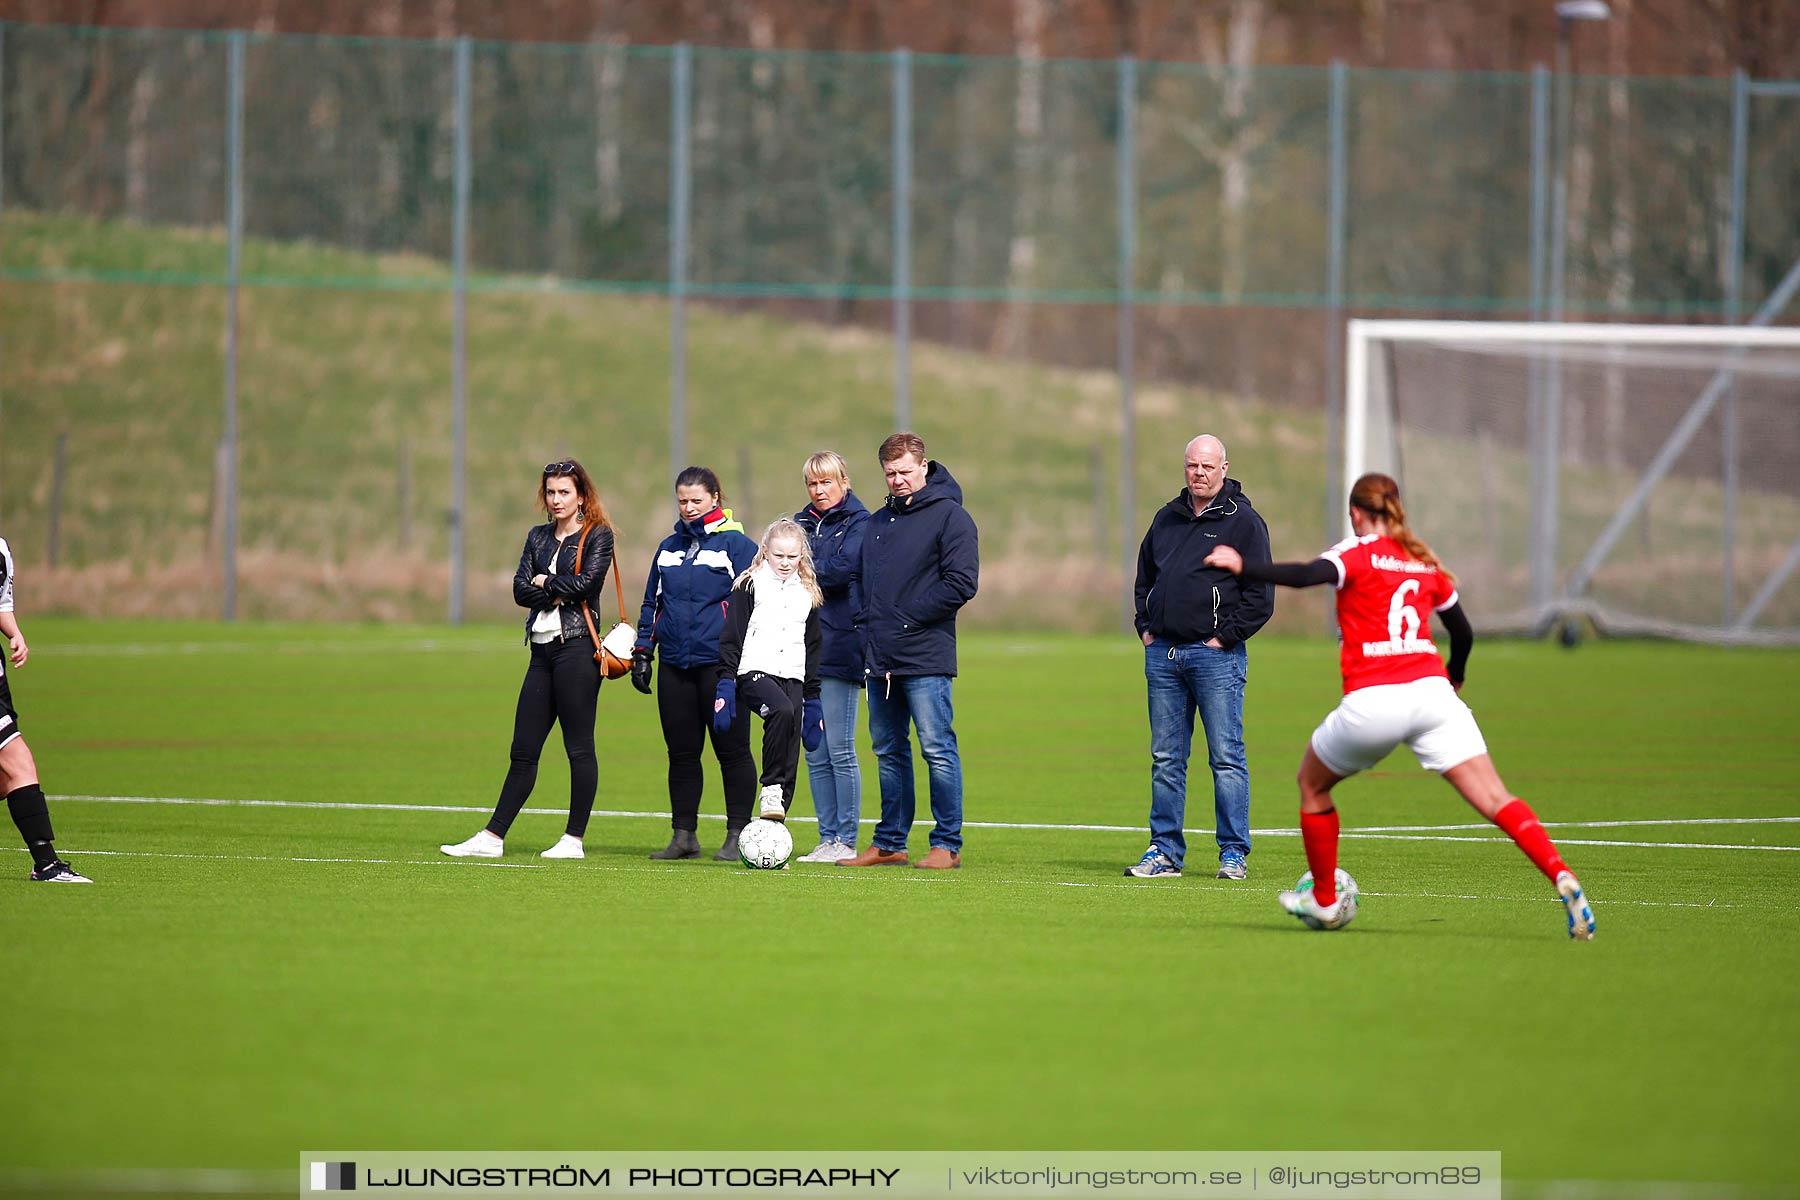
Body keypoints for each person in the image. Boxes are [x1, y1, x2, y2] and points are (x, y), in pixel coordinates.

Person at [1204, 472, 1596, 939]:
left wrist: (1243, 566)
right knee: (1497, 798)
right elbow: (1463, 631)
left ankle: (1325, 900)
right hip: (1434, 696)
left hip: (1375, 700)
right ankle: (1561, 875)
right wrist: (1456, 676)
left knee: (1312, 785)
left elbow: (1309, 575)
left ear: (1356, 513)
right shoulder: (1423, 560)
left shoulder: (1356, 552)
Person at [442, 460, 614, 860]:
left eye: (564, 492)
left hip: (577, 651)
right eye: (551, 493)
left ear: (581, 497)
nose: (556, 500)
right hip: (541, 652)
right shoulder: (537, 537)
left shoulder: (597, 536)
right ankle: (493, 838)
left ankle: (574, 840)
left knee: (579, 748)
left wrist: (547, 583)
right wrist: (554, 590)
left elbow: (587, 584)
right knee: (523, 749)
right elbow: (520, 590)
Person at [1128, 434, 1273, 881]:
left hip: (1215, 657)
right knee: (1166, 758)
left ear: (1224, 468)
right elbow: (1144, 577)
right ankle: (1164, 851)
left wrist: (1223, 639)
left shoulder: (1243, 523)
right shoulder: (1166, 518)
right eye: (1192, 466)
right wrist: (1145, 627)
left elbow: (1260, 596)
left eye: (1208, 466)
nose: (1199, 473)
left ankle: (1233, 853)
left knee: (1226, 757)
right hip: (1164, 654)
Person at [840, 433, 978, 870]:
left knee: (937, 748)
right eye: (890, 473)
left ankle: (947, 844)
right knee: (887, 750)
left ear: (923, 466)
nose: (898, 480)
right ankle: (890, 842)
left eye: (905, 471)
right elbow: (860, 579)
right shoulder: (878, 522)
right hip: (878, 658)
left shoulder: (951, 518)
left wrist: (904, 618)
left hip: (925, 656)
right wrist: (866, 624)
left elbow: (961, 583)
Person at [631, 467, 759, 862]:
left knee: (732, 751)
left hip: (721, 668)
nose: (688, 508)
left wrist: (743, 661)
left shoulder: (737, 546)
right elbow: (653, 601)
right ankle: (683, 835)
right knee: (682, 754)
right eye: (682, 501)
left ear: (716, 498)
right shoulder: (668, 546)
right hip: (674, 665)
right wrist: (642, 651)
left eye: (696, 500)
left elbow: (753, 606)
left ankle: (737, 834)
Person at [714, 519, 825, 828]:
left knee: (791, 750)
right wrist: (725, 683)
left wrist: (813, 699)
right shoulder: (749, 584)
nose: (785, 563)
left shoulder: (808, 593)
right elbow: (732, 635)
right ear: (765, 552)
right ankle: (771, 787)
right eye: (779, 556)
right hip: (754, 670)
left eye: (792, 556)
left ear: (801, 554)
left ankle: (772, 830)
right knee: (781, 710)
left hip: (793, 675)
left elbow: (813, 646)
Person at [792, 452, 870, 862]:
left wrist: (800, 565)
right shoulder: (799, 523)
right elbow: (776, 564)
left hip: (841, 645)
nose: (819, 491)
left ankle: (846, 839)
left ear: (844, 481)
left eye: (826, 482)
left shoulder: (861, 522)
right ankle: (826, 838)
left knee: (840, 747)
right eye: (812, 484)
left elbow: (844, 570)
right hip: (799, 649)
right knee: (814, 748)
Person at [0, 535, 92, 882]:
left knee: (7, 780)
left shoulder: (1, 550)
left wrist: (15, 634)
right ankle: (47, 864)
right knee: (19, 764)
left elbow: (2, 603)